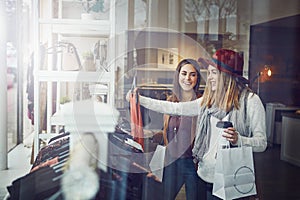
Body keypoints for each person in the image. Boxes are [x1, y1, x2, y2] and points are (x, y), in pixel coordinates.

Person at [127, 49, 267, 199]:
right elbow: (175, 108)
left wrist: (239, 140)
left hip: (230, 178)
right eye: (209, 72)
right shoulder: (208, 102)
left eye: (214, 73)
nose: (210, 77)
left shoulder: (250, 101)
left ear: (227, 75)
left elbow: (262, 143)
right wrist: (139, 100)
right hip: (204, 175)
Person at [160, 59, 206, 200]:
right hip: (172, 162)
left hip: (193, 163)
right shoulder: (170, 101)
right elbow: (166, 132)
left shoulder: (202, 102)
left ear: (197, 78)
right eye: (184, 73)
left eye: (192, 74)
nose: (187, 78)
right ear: (178, 76)